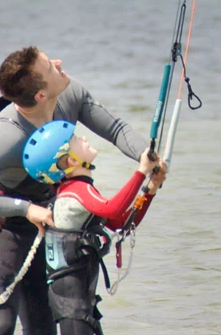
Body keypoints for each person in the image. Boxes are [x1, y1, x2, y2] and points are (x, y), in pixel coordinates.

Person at [0, 46, 168, 334]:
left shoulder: (70, 93)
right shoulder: (7, 135)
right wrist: (24, 209)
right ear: (40, 95)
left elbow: (116, 129)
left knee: (43, 328)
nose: (59, 63)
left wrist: (148, 158)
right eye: (50, 67)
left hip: (47, 224)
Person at [23, 120, 162, 334]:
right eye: (76, 139)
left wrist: (150, 189)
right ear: (72, 160)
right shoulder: (78, 190)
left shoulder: (76, 189)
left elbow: (120, 223)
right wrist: (141, 171)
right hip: (73, 305)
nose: (84, 138)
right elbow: (113, 209)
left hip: (77, 303)